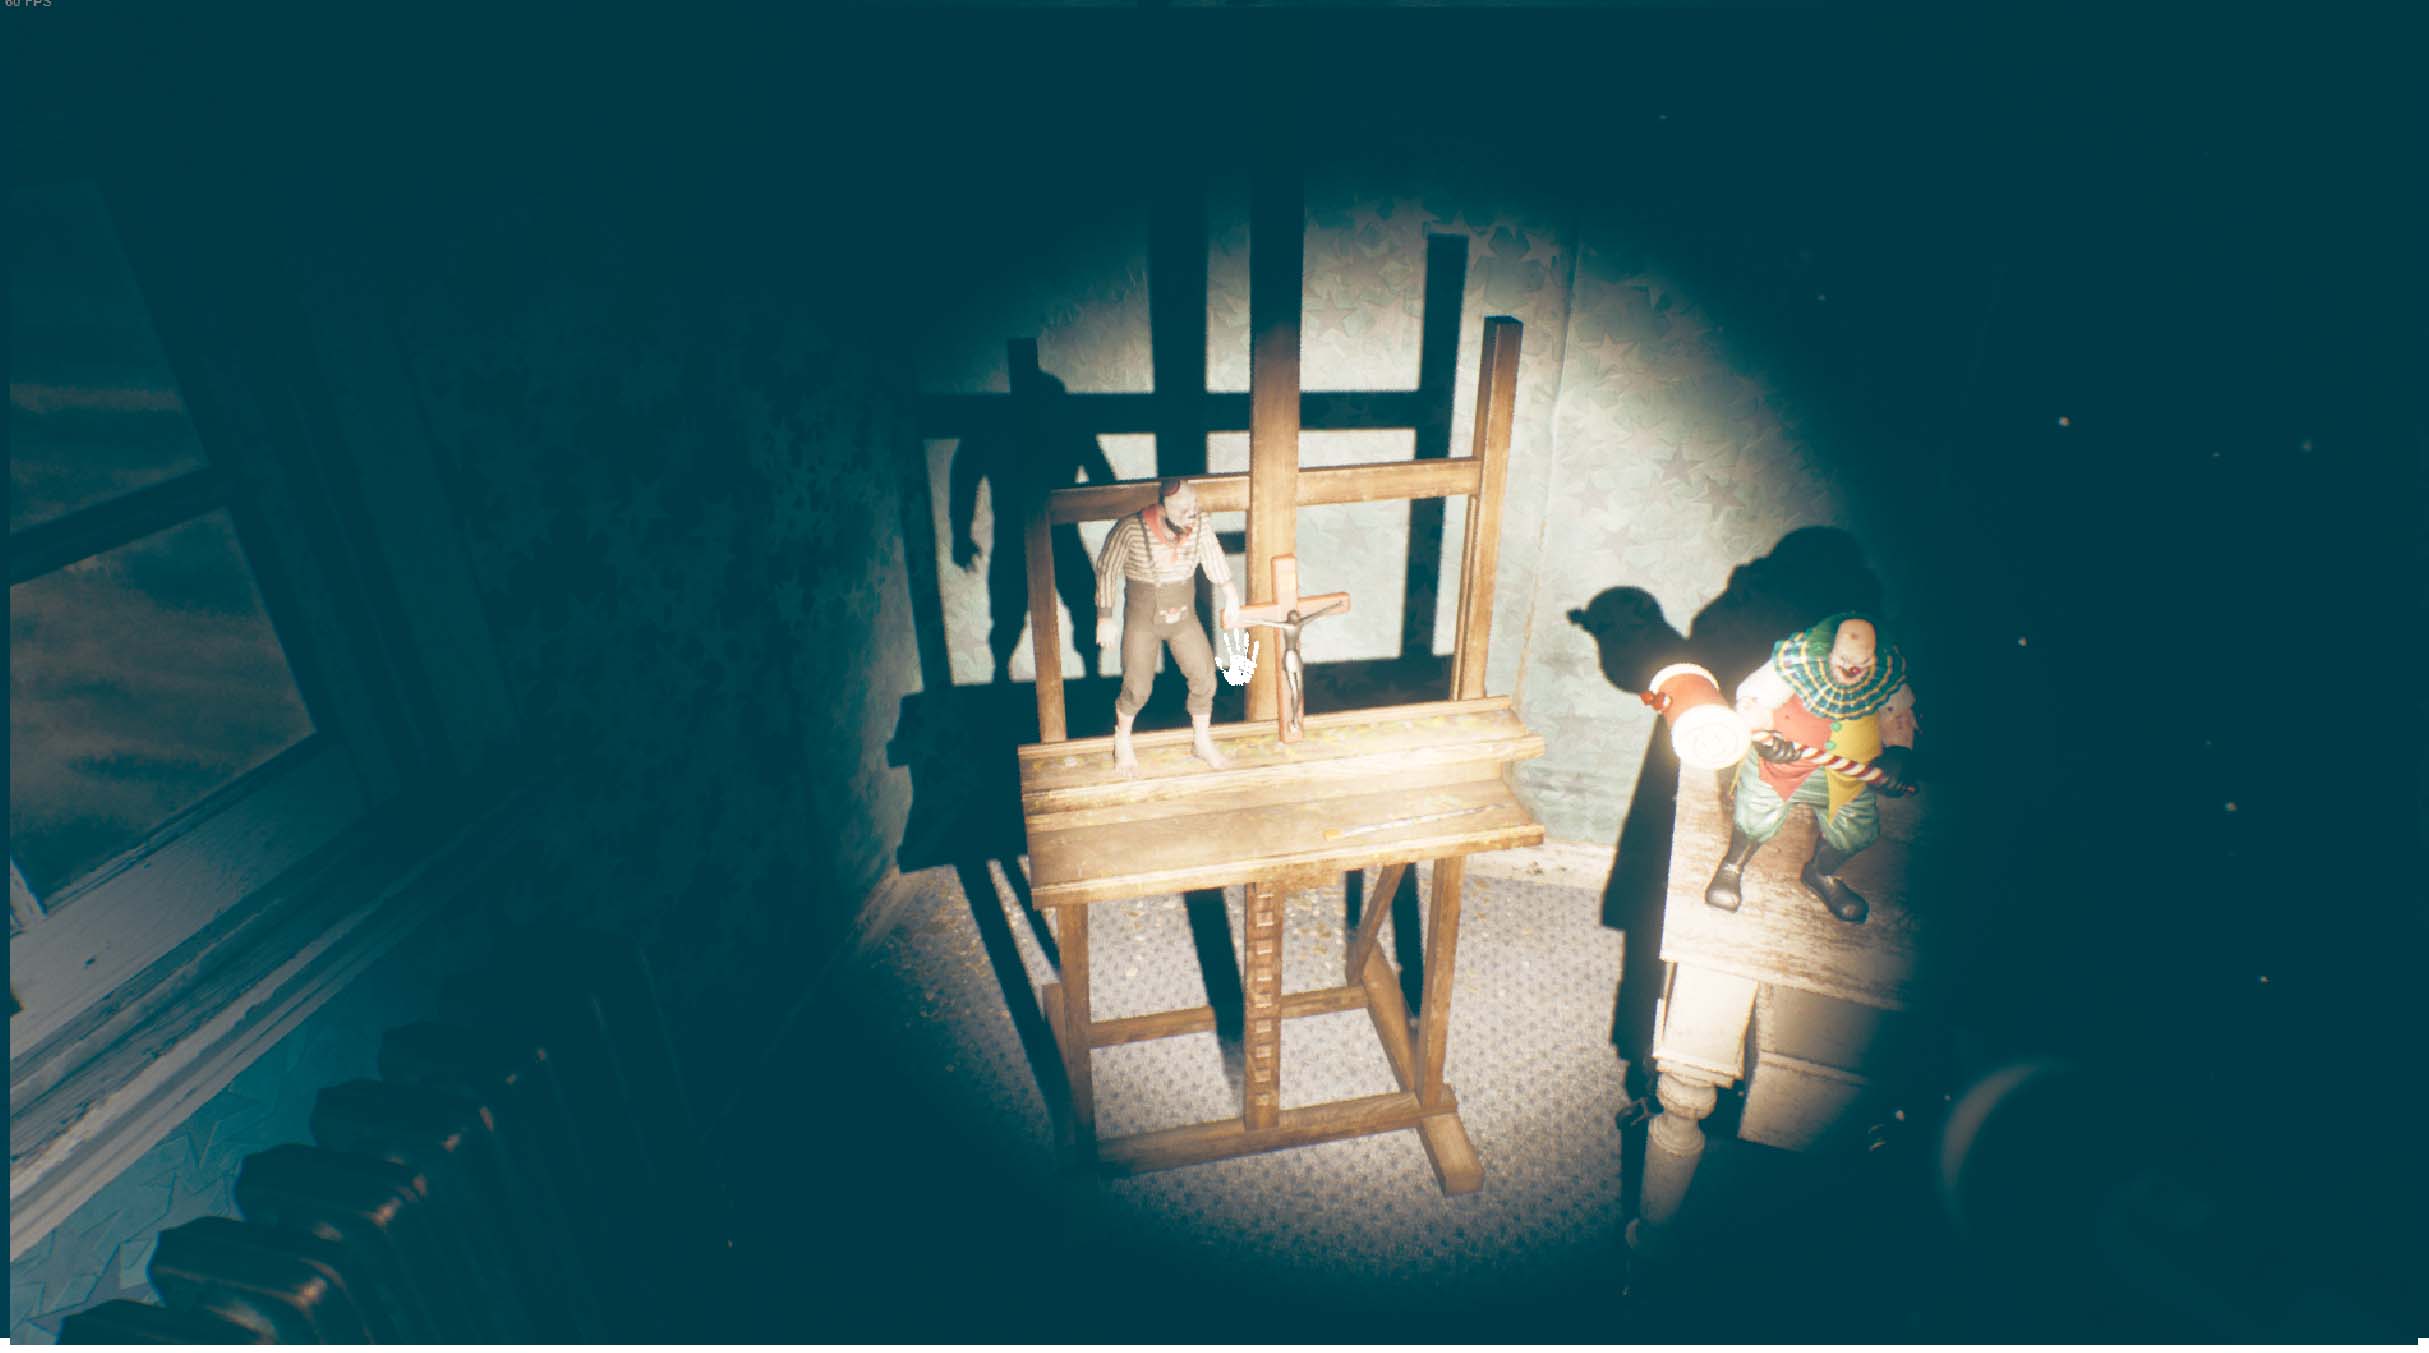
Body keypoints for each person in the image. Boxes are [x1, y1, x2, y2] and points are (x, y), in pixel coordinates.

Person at [1705, 612, 1917, 923]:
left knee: (1856, 831)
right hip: (1781, 765)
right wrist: (1765, 736)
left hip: (1846, 774)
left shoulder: (1885, 675)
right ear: (1832, 651)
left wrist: (1899, 753)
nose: (1852, 669)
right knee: (1754, 818)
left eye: (1862, 662)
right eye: (1845, 659)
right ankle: (1732, 865)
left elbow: (1897, 716)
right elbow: (1752, 701)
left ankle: (1821, 874)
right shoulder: (1797, 663)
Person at [1092, 478, 1241, 774]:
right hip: (1143, 619)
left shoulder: (1199, 524)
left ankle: (1202, 740)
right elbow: (1107, 569)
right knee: (1137, 686)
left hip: (1183, 617)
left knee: (1204, 674)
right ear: (1162, 508)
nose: (1191, 512)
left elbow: (1213, 556)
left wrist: (1232, 596)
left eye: (1194, 505)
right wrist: (1105, 616)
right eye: (1183, 509)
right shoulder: (1131, 529)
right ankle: (1122, 739)